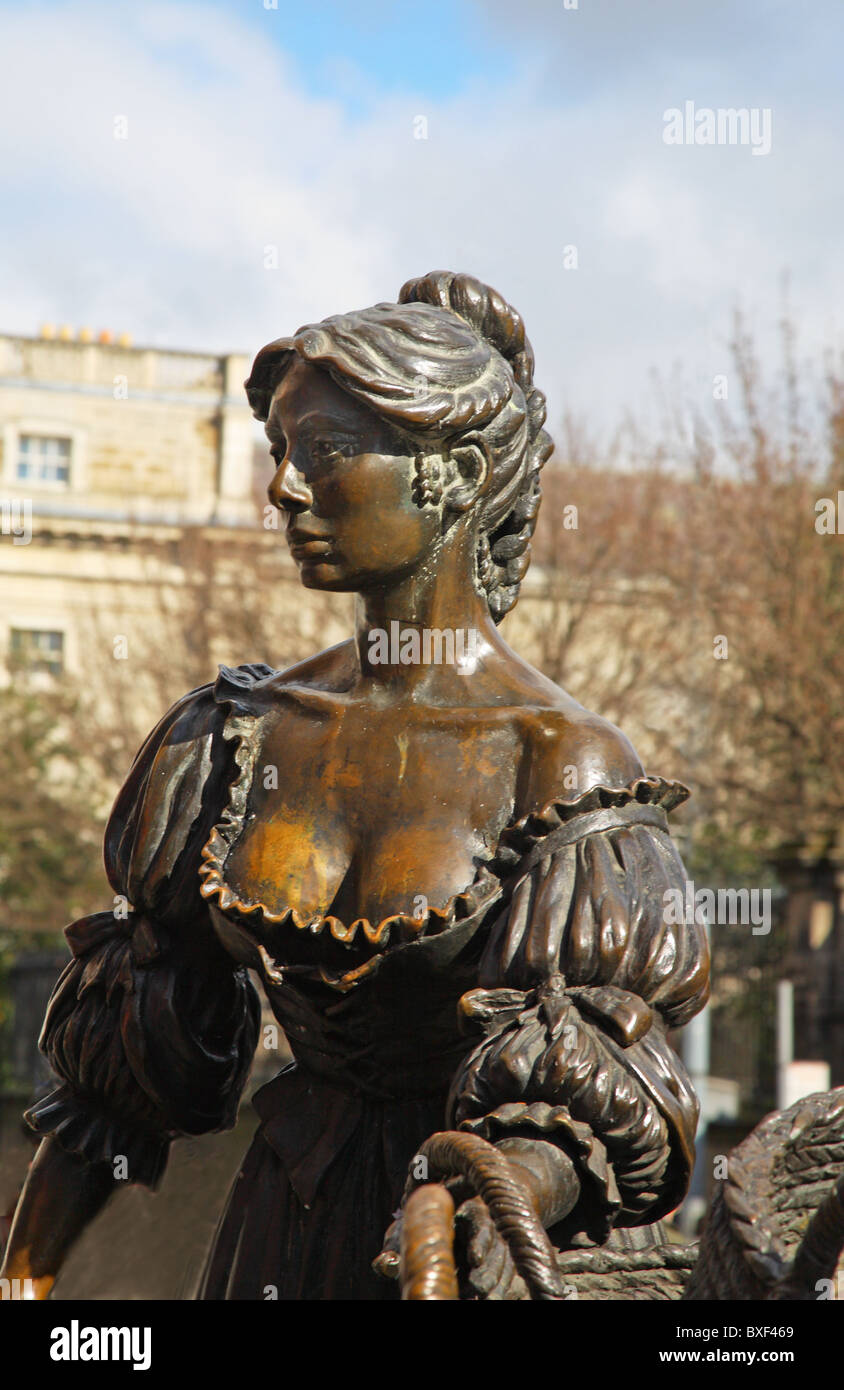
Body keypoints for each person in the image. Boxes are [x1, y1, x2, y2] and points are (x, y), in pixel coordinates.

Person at [1, 271, 709, 1300]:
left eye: (324, 453)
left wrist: (496, 1186)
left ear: (456, 473)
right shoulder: (228, 737)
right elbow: (123, 1071)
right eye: (281, 451)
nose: (282, 487)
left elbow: (595, 1098)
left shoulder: (559, 766)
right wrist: (26, 1274)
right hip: (270, 1234)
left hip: (454, 1263)